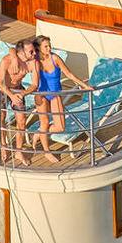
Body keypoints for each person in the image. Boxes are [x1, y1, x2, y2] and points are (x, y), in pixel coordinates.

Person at [28, 36, 92, 164]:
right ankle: (47, 151)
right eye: (46, 46)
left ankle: (38, 133)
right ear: (39, 48)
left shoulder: (55, 58)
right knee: (44, 123)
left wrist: (85, 86)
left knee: (60, 127)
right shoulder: (35, 61)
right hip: (41, 94)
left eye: (49, 45)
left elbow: (69, 74)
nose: (49, 48)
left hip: (55, 94)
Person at [0, 38, 37, 165]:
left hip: (18, 90)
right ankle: (4, 145)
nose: (34, 54)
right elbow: (0, 82)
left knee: (22, 120)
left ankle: (18, 151)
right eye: (31, 52)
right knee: (1, 117)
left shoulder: (31, 62)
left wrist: (22, 93)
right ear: (22, 53)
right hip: (1, 89)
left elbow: (34, 84)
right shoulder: (7, 60)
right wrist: (11, 96)